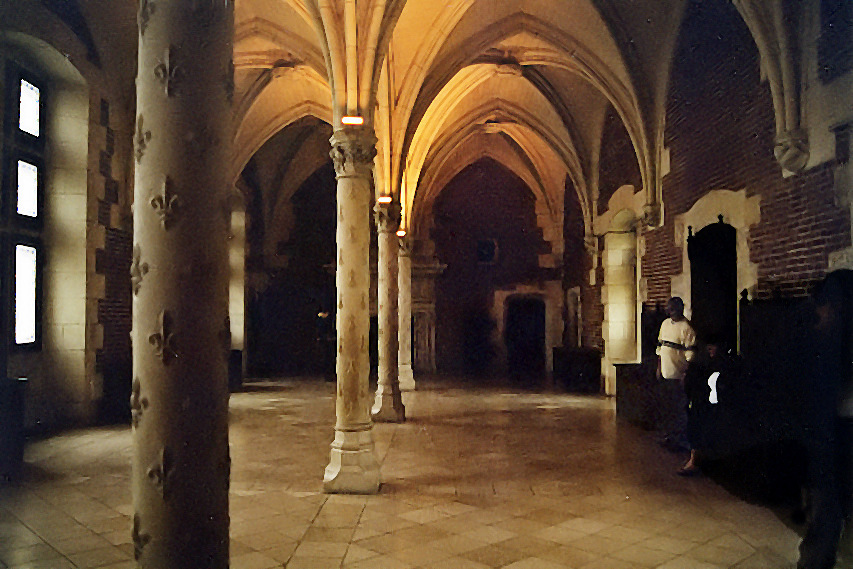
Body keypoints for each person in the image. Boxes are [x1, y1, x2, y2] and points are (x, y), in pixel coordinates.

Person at [797, 270, 853, 569]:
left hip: (836, 441)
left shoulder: (830, 341)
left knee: (825, 520)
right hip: (831, 438)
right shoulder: (827, 340)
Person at [679, 337, 734, 476]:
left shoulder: (722, 364)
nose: (712, 351)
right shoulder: (700, 365)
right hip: (702, 402)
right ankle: (695, 460)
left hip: (714, 404)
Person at [656, 297, 696, 452]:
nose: (670, 311)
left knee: (679, 408)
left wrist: (685, 374)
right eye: (669, 308)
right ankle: (669, 435)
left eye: (673, 308)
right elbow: (660, 347)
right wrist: (659, 367)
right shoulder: (665, 324)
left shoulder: (686, 328)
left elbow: (690, 354)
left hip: (677, 374)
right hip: (665, 372)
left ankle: (680, 439)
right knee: (667, 407)